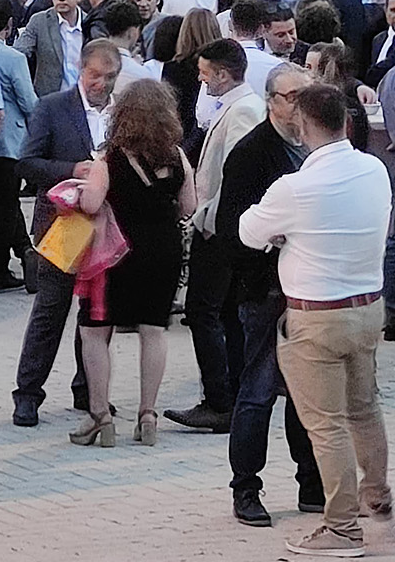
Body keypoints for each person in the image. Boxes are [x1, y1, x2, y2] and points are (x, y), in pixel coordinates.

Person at [240, 83, 392, 559]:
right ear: (346, 122)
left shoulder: (294, 187)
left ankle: (342, 529)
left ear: (302, 128)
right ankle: (377, 495)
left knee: (326, 427)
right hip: (366, 309)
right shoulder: (374, 169)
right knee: (364, 409)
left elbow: (248, 231)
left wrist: (285, 235)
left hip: (316, 318)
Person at [218, 63, 326, 528]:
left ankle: (311, 485)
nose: (301, 105)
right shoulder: (251, 153)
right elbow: (230, 230)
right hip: (265, 290)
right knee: (258, 391)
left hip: (311, 290)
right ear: (271, 102)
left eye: (307, 95)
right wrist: (271, 240)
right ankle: (246, 488)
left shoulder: (318, 148)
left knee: (306, 392)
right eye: (292, 97)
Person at [69, 79, 197, 449]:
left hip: (116, 253)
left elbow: (91, 204)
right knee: (154, 331)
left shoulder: (110, 160)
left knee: (95, 332)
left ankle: (100, 416)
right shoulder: (177, 157)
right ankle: (147, 415)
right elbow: (189, 206)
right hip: (164, 252)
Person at [12, 41, 121, 425]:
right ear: (80, 69)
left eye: (109, 77)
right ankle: (27, 393)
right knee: (51, 308)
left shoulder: (121, 112)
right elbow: (27, 163)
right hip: (63, 223)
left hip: (106, 226)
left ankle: (89, 389)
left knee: (97, 311)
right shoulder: (53, 107)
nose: (101, 84)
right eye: (95, 76)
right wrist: (72, 170)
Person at [167, 39, 267, 435]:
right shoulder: (235, 107)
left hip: (220, 230)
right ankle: (232, 393)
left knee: (204, 311)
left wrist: (207, 220)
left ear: (223, 74)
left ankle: (219, 399)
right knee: (223, 312)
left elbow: (235, 176)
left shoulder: (243, 111)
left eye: (205, 73)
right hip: (221, 225)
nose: (201, 79)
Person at [0, 1, 37, 292]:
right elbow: (28, 101)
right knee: (7, 206)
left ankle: (21, 250)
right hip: (7, 140)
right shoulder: (13, 58)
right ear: (10, 24)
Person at [16, 0, 87, 97]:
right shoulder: (39, 21)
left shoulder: (90, 23)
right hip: (49, 98)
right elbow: (20, 52)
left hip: (84, 96)